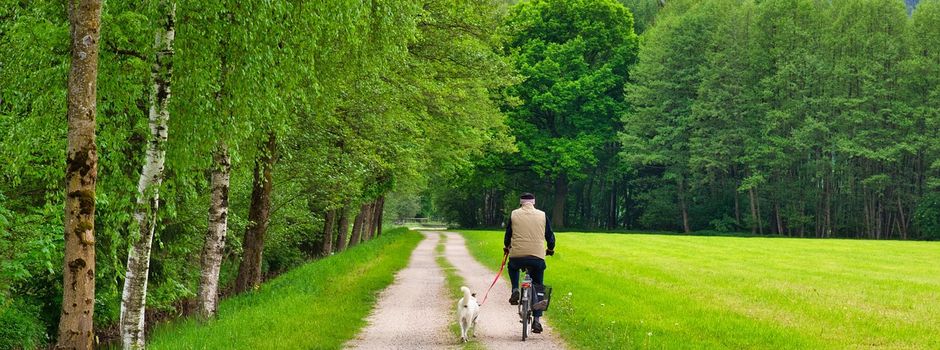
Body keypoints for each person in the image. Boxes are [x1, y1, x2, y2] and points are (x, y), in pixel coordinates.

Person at [503, 192, 555, 334]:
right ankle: (537, 321)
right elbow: (550, 236)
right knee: (538, 286)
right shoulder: (542, 215)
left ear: (521, 203)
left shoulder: (514, 214)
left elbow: (508, 235)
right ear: (533, 203)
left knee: (512, 267)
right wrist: (550, 249)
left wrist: (506, 247)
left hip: (517, 256)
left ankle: (515, 290)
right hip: (537, 257)